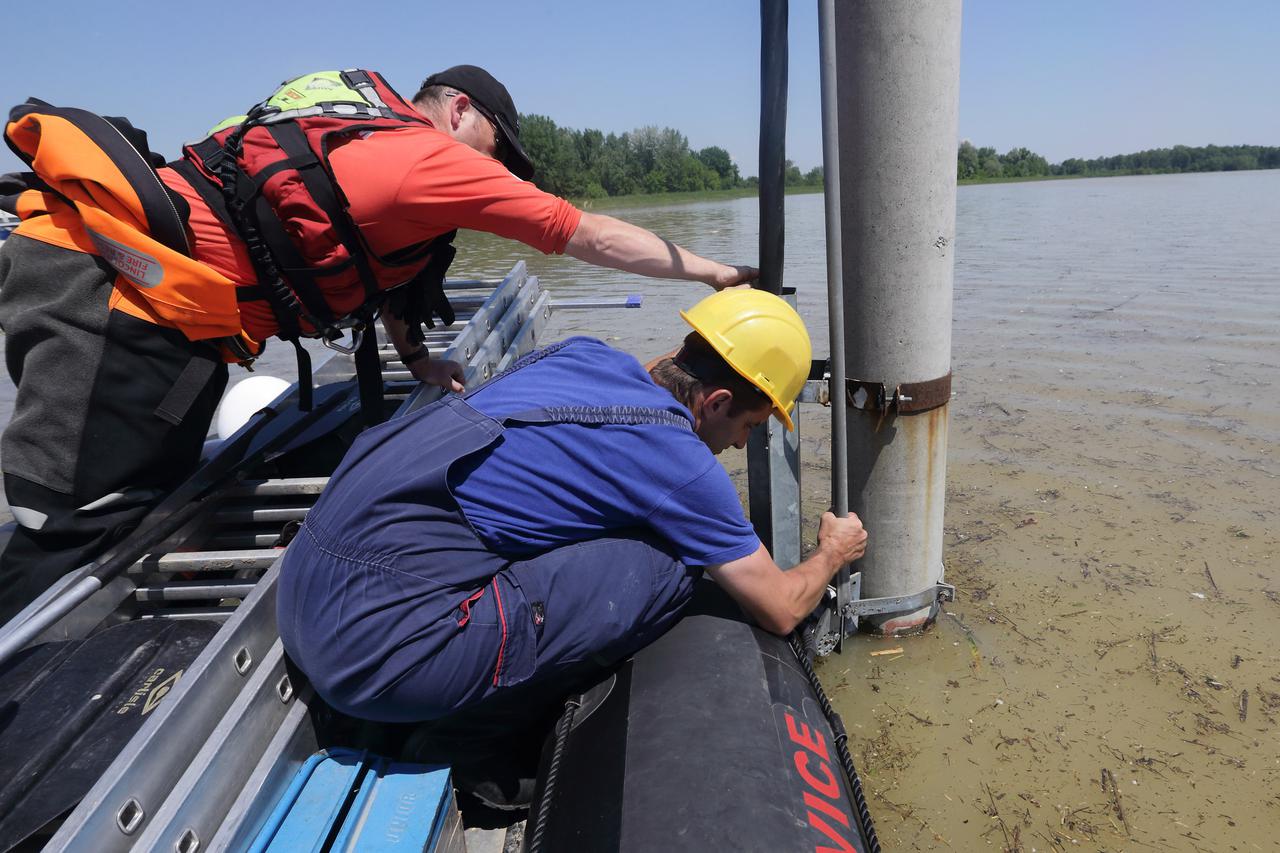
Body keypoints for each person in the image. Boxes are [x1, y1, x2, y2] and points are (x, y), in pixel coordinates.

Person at [0, 65, 756, 623]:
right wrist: (714, 270)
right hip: (113, 296)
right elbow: (582, 232)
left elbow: (373, 263)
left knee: (137, 514)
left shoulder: (360, 123)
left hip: (161, 318)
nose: (493, 173)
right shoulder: (433, 159)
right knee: (67, 537)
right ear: (458, 112)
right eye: (496, 151)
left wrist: (419, 359)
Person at [275, 288, 868, 806]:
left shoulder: (578, 354)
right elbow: (781, 607)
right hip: (375, 658)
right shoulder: (679, 460)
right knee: (669, 567)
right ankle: (472, 749)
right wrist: (832, 553)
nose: (740, 447)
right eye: (747, 427)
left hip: (303, 600)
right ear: (714, 403)